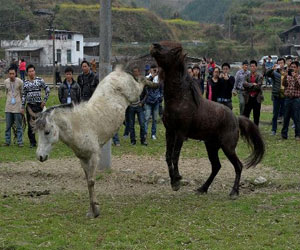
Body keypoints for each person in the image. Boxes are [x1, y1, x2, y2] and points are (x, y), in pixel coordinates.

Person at [21, 64, 50, 148]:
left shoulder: (40, 80)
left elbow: (47, 89)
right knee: (31, 126)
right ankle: (32, 143)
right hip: (30, 107)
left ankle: (44, 141)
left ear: (35, 71)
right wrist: (22, 106)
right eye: (29, 71)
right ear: (27, 73)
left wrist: (44, 101)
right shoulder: (25, 83)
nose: (31, 73)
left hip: (39, 106)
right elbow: (23, 95)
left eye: (32, 71)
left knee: (42, 124)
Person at [3, 67, 24, 147]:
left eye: (13, 74)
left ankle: (20, 142)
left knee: (19, 126)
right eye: (10, 74)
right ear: (8, 74)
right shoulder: (6, 82)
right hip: (8, 107)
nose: (11, 75)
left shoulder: (20, 82)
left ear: (15, 74)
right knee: (8, 126)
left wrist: (22, 106)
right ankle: (7, 141)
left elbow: (22, 93)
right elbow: (6, 92)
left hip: (17, 107)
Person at [266, 58, 286, 135]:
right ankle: (274, 130)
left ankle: (284, 130)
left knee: (285, 113)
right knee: (275, 114)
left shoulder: (286, 72)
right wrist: (272, 69)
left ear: (284, 64)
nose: (280, 64)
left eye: (282, 63)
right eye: (279, 63)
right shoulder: (274, 73)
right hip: (276, 96)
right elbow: (267, 74)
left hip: (285, 95)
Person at [128, 67, 148, 146]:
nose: (135, 73)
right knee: (131, 125)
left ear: (139, 72)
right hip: (131, 106)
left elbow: (146, 93)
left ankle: (143, 140)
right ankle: (133, 141)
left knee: (142, 124)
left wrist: (142, 102)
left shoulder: (141, 81)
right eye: (134, 71)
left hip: (139, 105)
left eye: (136, 71)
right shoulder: (130, 82)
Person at [281, 61, 300, 140]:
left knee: (297, 117)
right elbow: (284, 84)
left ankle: (297, 134)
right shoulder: (288, 76)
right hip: (288, 99)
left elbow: (299, 85)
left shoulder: (299, 76)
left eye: (294, 67)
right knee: (286, 117)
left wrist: (295, 77)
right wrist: (285, 76)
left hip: (296, 99)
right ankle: (284, 134)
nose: (292, 68)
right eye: (291, 67)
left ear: (298, 68)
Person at [242, 60, 264, 126]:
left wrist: (249, 85)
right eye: (251, 66)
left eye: (253, 66)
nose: (252, 68)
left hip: (257, 98)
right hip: (248, 97)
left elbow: (258, 86)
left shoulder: (260, 76)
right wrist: (252, 84)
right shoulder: (247, 75)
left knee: (256, 115)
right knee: (246, 114)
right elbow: (244, 84)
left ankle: (255, 130)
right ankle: (246, 128)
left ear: (256, 67)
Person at [145, 64, 162, 140]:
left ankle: (153, 134)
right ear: (150, 70)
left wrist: (160, 97)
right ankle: (144, 133)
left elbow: (162, 88)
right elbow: (146, 84)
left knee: (155, 119)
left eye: (156, 69)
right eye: (153, 69)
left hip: (156, 101)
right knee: (147, 118)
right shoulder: (147, 77)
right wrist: (152, 76)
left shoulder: (159, 79)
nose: (154, 70)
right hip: (148, 101)